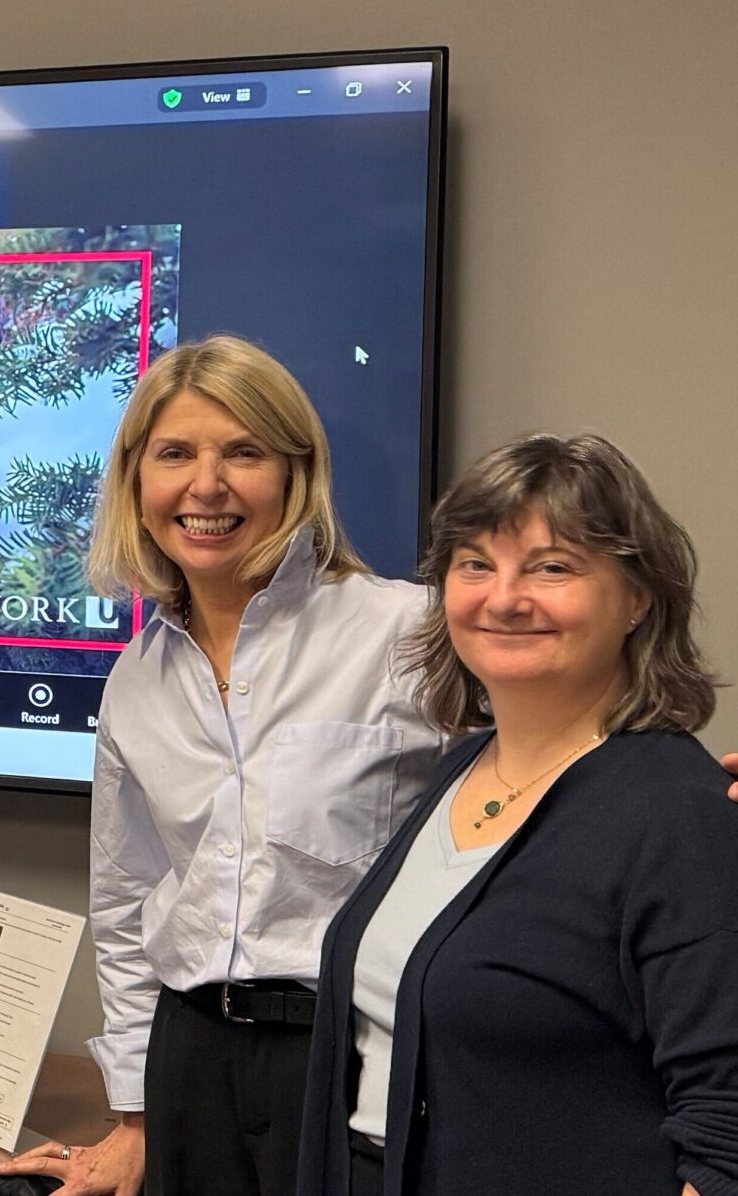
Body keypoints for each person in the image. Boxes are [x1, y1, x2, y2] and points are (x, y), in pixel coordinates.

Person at [0, 335, 439, 1196]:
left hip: (349, 1062)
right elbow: (127, 902)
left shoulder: (406, 634)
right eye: (175, 454)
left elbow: (566, 756)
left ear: (295, 473)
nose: (206, 485)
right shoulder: (137, 678)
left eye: (244, 452)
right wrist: (135, 1116)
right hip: (190, 1056)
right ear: (137, 480)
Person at [298, 435, 738, 1196]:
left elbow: (725, 1122)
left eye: (553, 566)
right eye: (475, 563)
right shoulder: (460, 769)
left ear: (638, 597)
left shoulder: (680, 812)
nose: (503, 597)